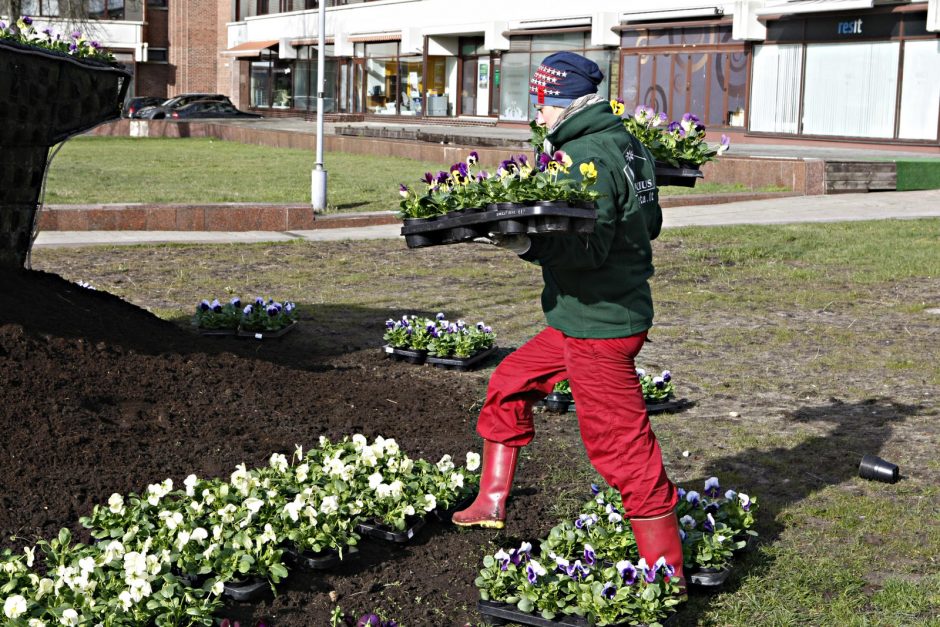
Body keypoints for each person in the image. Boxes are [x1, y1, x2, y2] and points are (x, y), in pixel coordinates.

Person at [452, 51, 685, 591]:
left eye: (542, 106)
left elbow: (590, 252)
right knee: (510, 381)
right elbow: (648, 221)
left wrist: (527, 244)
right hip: (589, 312)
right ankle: (490, 500)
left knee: (619, 447)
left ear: (561, 103)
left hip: (598, 324)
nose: (539, 117)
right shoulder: (625, 141)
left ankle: (666, 573)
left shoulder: (587, 155)